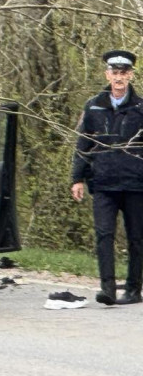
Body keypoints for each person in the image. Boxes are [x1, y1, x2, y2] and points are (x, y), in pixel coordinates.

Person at [71, 49, 143, 306]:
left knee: (137, 238)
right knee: (104, 235)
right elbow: (83, 144)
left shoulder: (140, 107)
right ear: (107, 75)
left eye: (124, 72)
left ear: (131, 75)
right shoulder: (93, 106)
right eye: (115, 72)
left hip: (136, 183)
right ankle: (108, 289)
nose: (119, 77)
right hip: (103, 182)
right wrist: (77, 179)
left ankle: (133, 289)